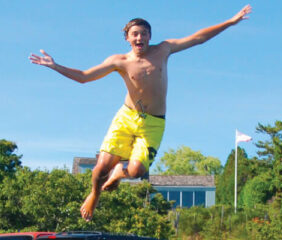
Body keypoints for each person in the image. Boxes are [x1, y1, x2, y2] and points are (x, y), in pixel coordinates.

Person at [30, 5, 251, 220]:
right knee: (100, 168)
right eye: (135, 34)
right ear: (127, 37)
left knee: (136, 171)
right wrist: (56, 66)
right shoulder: (120, 61)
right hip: (127, 117)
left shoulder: (163, 50)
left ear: (150, 36)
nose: (139, 38)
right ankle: (95, 195)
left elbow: (198, 37)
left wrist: (231, 22)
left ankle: (119, 172)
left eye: (144, 34)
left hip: (153, 123)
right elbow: (85, 76)